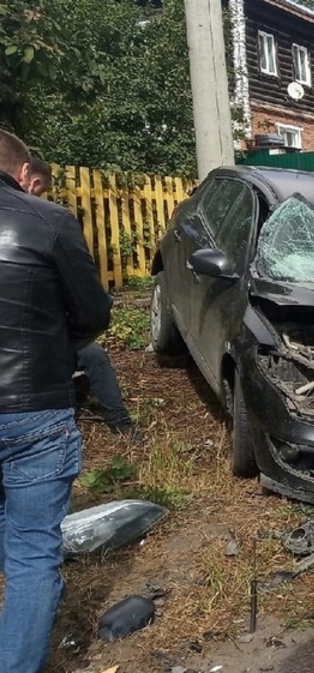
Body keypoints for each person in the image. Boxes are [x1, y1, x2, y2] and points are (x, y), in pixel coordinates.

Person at [0, 130, 112, 672]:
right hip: (33, 409)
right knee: (31, 554)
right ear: (24, 174)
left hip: (30, 410)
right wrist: (52, 342)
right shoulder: (46, 220)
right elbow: (93, 314)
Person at [25, 159, 142, 442]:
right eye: (39, 193)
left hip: (42, 329)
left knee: (92, 354)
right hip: (27, 340)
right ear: (32, 181)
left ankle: (119, 421)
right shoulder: (46, 223)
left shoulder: (39, 222)